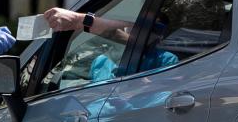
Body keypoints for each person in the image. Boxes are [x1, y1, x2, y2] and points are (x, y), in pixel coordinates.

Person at [43, 7, 178, 81]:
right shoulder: (101, 61)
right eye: (137, 25)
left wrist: (78, 20)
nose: (143, 32)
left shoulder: (166, 60)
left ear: (161, 36)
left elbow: (160, 94)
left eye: (154, 29)